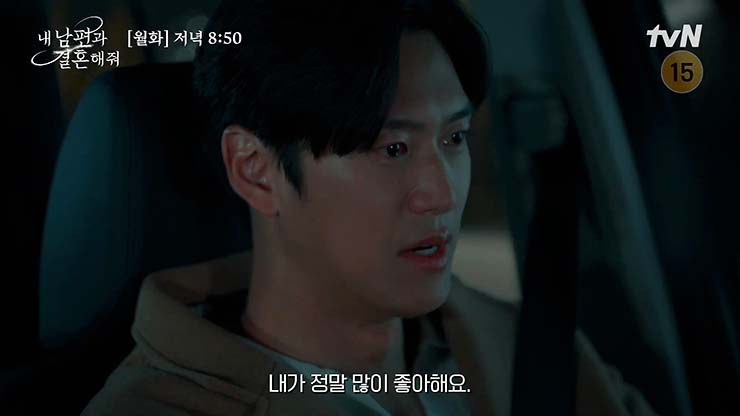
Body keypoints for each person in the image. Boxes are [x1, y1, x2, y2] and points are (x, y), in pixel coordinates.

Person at [84, 0, 656, 414]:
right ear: (255, 170)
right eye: (394, 149)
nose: (442, 194)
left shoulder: (525, 350)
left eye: (454, 138)